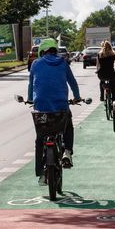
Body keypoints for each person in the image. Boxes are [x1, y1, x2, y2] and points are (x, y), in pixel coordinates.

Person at [27, 38, 81, 186]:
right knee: (67, 126)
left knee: (40, 139)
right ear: (55, 51)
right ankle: (67, 152)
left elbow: (31, 84)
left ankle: (41, 174)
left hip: (41, 109)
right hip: (61, 108)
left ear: (42, 51)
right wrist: (77, 97)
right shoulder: (63, 63)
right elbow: (72, 82)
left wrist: (30, 99)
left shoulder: (35, 64)